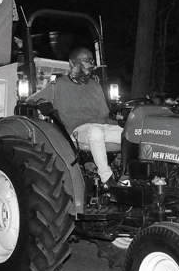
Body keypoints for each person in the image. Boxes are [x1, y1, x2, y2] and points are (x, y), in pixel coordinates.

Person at [27, 47, 121, 188]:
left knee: (132, 133)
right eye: (84, 61)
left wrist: (122, 124)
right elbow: (30, 99)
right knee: (95, 132)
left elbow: (104, 116)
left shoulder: (95, 86)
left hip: (100, 126)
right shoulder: (58, 85)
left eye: (90, 60)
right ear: (72, 64)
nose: (89, 64)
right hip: (77, 130)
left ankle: (131, 177)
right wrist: (40, 101)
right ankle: (107, 179)